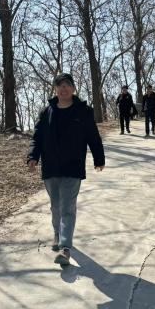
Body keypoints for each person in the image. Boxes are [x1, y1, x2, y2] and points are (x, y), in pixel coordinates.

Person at [27, 73, 105, 265]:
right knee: (56, 206)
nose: (64, 88)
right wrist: (33, 157)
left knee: (67, 207)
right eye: (60, 85)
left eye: (67, 85)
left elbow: (93, 136)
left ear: (73, 88)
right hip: (51, 166)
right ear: (55, 89)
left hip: (73, 166)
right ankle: (57, 233)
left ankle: (65, 248)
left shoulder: (83, 111)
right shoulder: (46, 112)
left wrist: (99, 158)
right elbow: (37, 137)